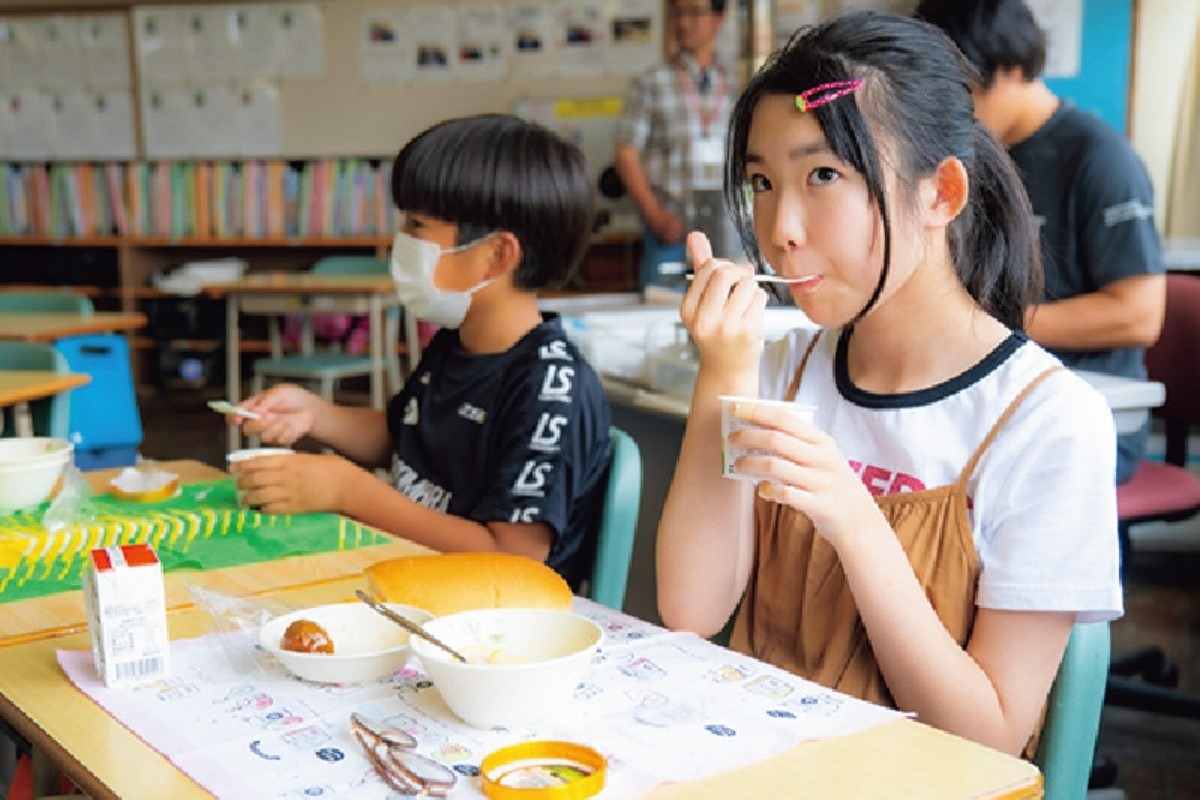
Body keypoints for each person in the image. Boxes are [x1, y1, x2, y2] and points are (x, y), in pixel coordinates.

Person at [655, 11, 1122, 757]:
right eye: (762, 182)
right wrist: (723, 371)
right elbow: (690, 608)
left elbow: (991, 737)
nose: (781, 228)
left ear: (940, 194)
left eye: (824, 176)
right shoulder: (782, 366)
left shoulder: (1050, 421)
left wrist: (855, 517)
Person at [228, 113, 613, 590]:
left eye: (418, 225)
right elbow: (403, 438)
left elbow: (513, 558)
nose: (402, 242)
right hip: (415, 582)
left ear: (496, 255)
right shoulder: (457, 341)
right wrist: (316, 415)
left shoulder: (551, 387)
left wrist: (347, 490)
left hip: (491, 621)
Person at [915, 0, 1165, 484]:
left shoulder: (1099, 158)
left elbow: (1139, 314)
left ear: (1007, 67)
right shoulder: (971, 160)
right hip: (992, 396)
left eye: (959, 90)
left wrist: (980, 326)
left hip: (1087, 411)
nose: (951, 111)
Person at [614, 0, 736, 290]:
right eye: (677, 13)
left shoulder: (735, 80)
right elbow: (625, 153)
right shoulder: (651, 82)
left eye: (694, 12)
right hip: (670, 229)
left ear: (719, 18)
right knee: (661, 320)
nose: (683, 23)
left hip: (726, 230)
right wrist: (654, 214)